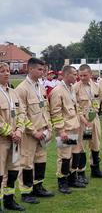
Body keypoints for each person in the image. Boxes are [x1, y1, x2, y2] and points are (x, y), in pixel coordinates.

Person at [16, 58, 54, 205]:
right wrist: (33, 131)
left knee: (40, 160)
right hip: (29, 134)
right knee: (26, 163)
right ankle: (26, 192)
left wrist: (48, 128)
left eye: (43, 69)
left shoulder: (40, 86)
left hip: (42, 132)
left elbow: (46, 109)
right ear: (30, 69)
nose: (42, 72)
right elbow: (22, 114)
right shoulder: (22, 89)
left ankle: (38, 187)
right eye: (39, 69)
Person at [49, 65, 85, 194]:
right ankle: (62, 181)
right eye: (74, 74)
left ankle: (72, 178)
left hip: (74, 127)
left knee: (74, 154)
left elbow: (76, 108)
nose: (77, 76)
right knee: (64, 156)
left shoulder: (71, 89)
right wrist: (61, 130)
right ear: (66, 75)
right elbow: (56, 112)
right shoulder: (57, 91)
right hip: (66, 130)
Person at [73, 64, 102, 180]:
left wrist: (94, 112)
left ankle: (95, 169)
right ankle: (81, 173)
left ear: (90, 74)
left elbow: (97, 100)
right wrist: (84, 119)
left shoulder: (96, 86)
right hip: (83, 121)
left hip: (93, 119)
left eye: (85, 75)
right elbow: (75, 106)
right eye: (80, 75)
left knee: (95, 144)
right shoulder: (76, 88)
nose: (82, 77)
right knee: (82, 146)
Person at [0, 62, 25, 211]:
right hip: (2, 140)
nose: (6, 73)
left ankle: (9, 200)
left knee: (13, 170)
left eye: (8, 70)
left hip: (15, 140)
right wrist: (10, 132)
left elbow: (22, 112)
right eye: (2, 71)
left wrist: (19, 131)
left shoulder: (13, 92)